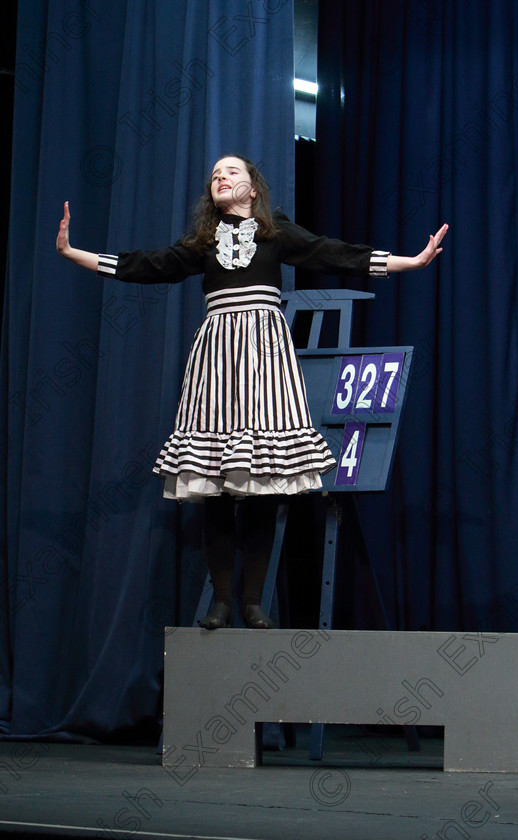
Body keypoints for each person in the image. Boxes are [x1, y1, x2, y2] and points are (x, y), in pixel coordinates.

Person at [57, 154, 448, 630]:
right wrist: (77, 253)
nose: (221, 178)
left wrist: (410, 261)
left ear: (253, 189)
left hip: (265, 355)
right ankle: (222, 600)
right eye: (215, 175)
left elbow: (331, 252)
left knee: (261, 483)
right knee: (218, 482)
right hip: (218, 358)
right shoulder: (202, 242)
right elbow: (151, 264)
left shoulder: (275, 231)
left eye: (232, 172)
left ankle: (252, 600)